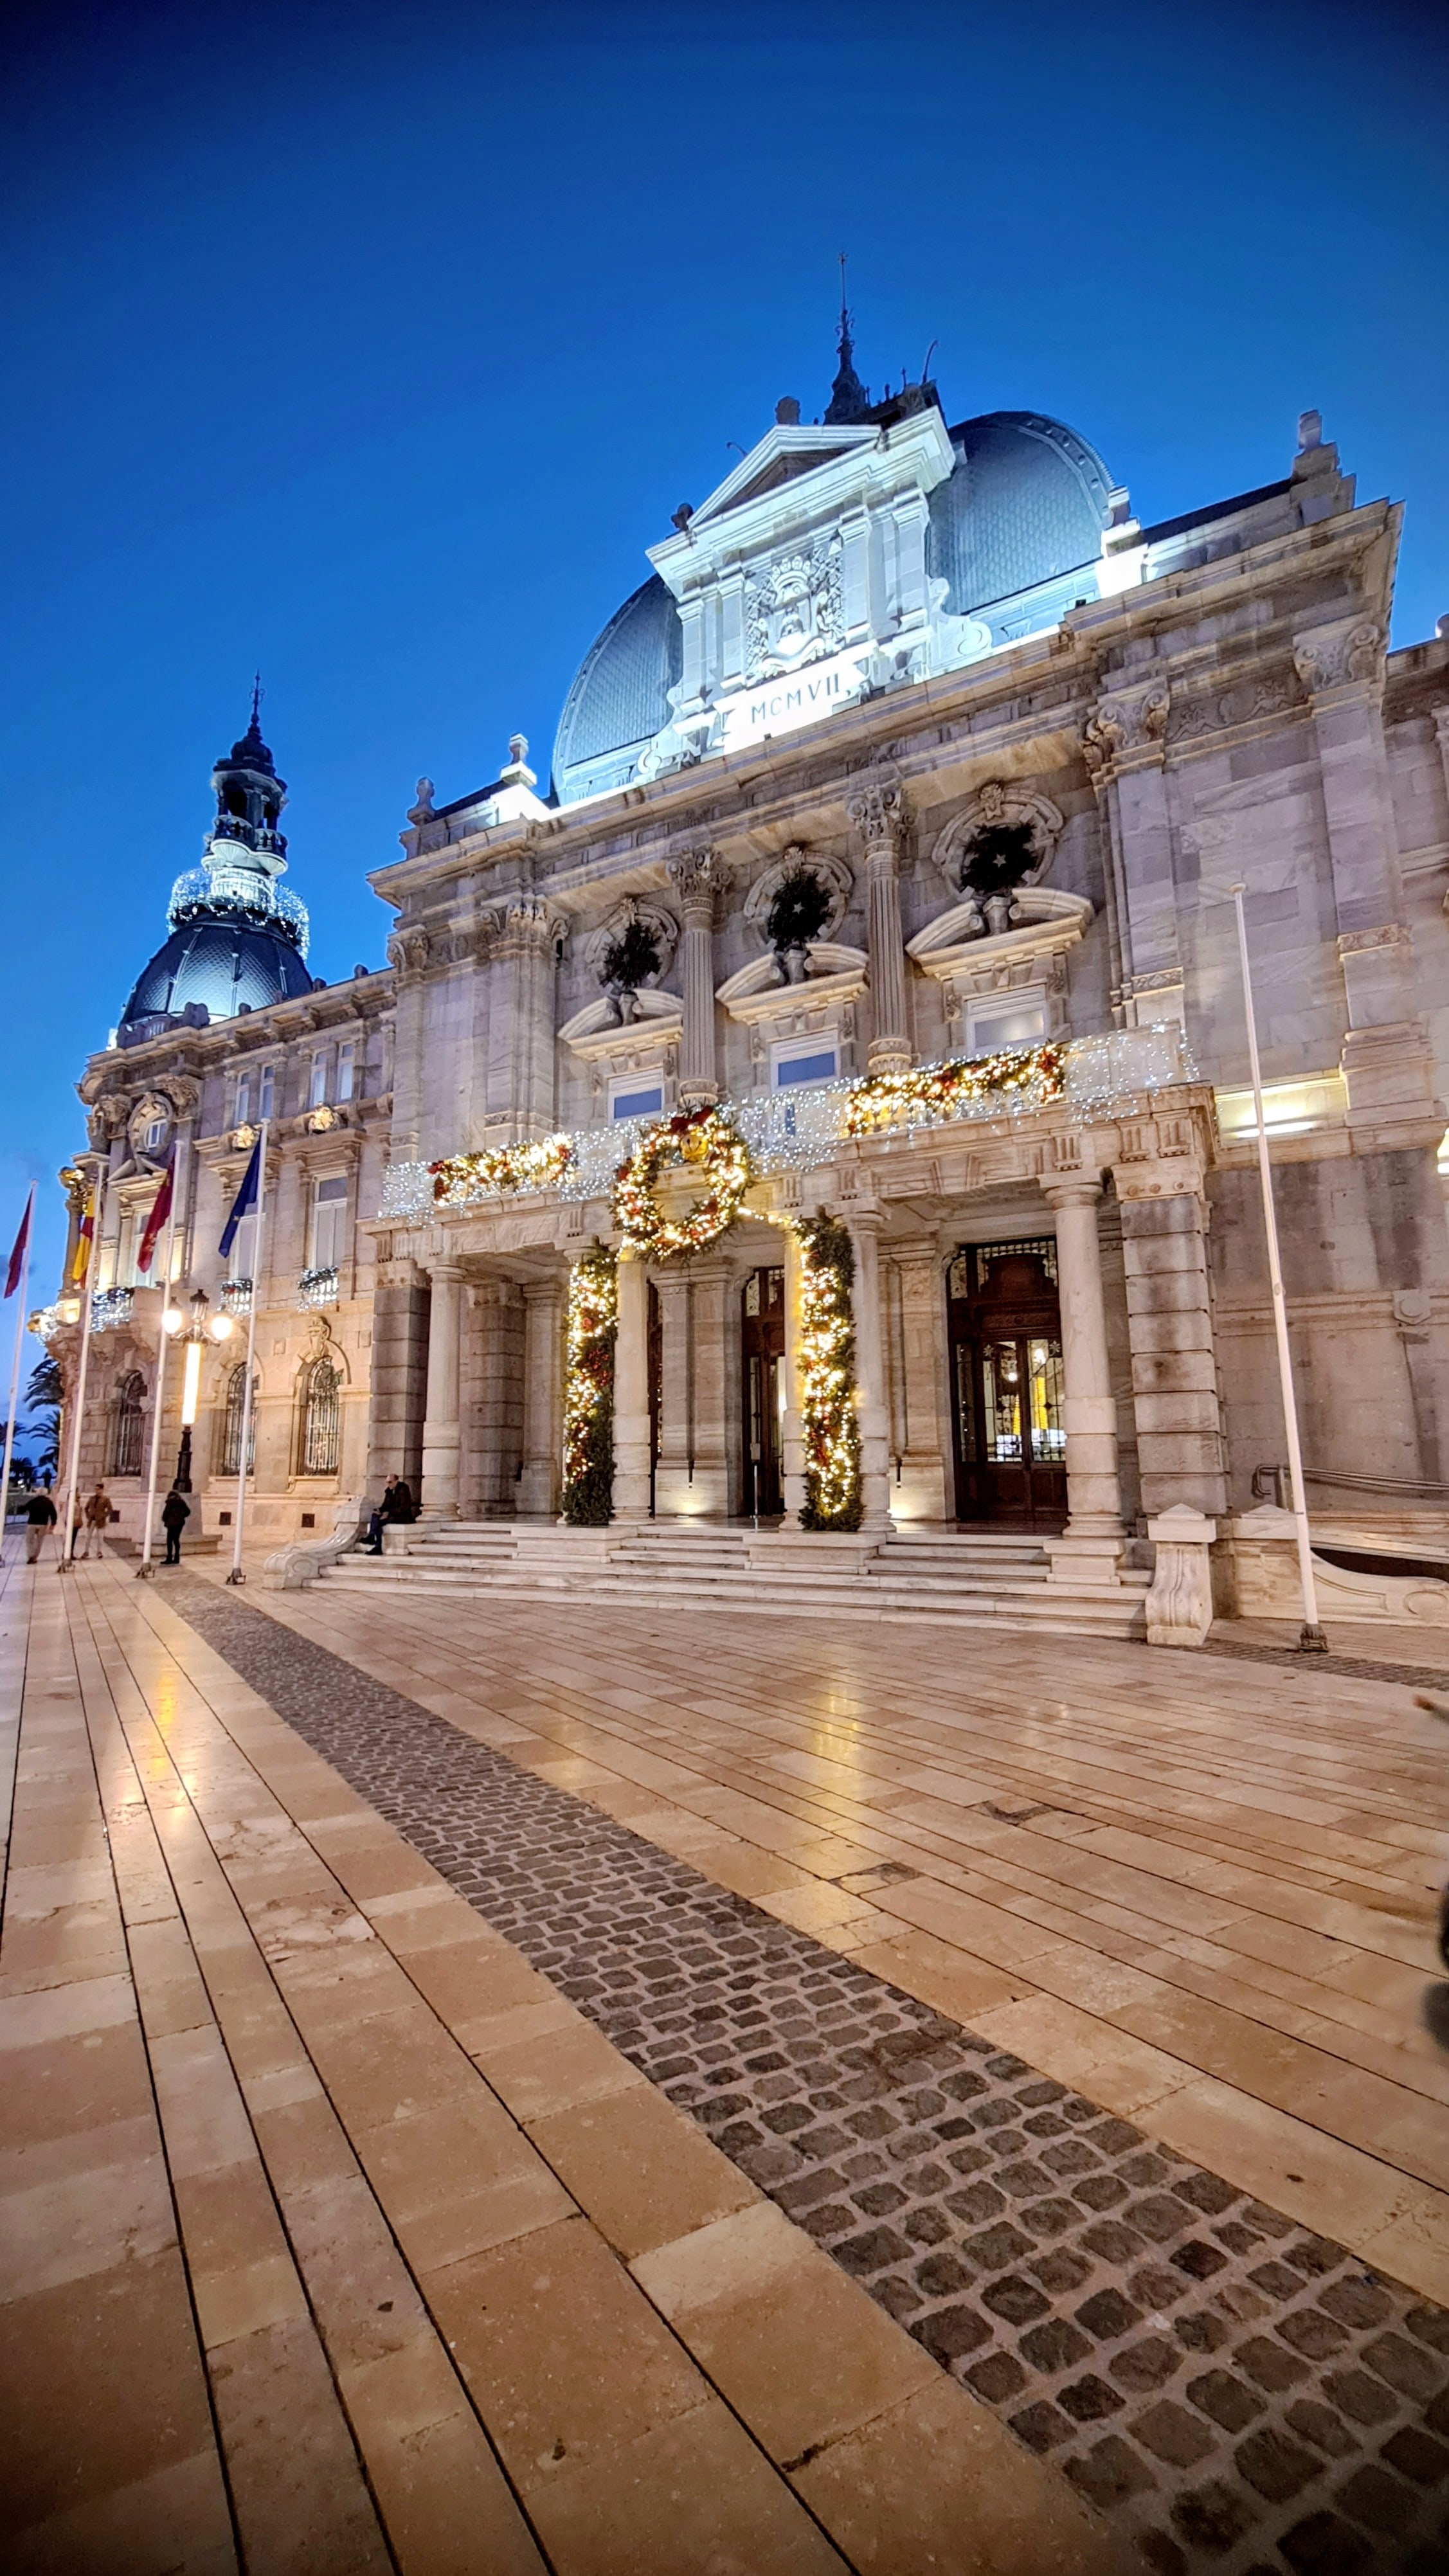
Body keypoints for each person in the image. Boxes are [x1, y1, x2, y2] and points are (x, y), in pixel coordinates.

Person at [25, 1482, 57, 1565]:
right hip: (43, 1524)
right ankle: (35, 1557)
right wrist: (53, 1524)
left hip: (32, 1523)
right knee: (39, 1541)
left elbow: (23, 1508)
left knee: (30, 1541)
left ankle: (30, 1556)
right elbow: (53, 1514)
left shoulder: (33, 1501)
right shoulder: (48, 1502)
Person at [161, 1484, 190, 1566]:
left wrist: (165, 1520)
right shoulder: (181, 1502)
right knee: (176, 1540)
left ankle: (169, 1558)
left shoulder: (170, 1502)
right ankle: (177, 1557)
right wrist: (182, 1516)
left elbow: (166, 1513)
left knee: (170, 1541)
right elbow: (188, 1511)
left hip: (171, 1524)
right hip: (180, 1523)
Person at [80, 1481, 111, 1558]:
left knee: (100, 1537)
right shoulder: (92, 1498)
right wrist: (88, 1515)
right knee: (88, 1536)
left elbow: (110, 1509)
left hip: (100, 1520)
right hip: (92, 1519)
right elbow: (86, 1508)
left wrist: (104, 1516)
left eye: (98, 1489)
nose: (97, 1491)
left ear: (102, 1490)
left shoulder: (105, 1499)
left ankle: (99, 1552)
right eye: (96, 1489)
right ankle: (86, 1551)